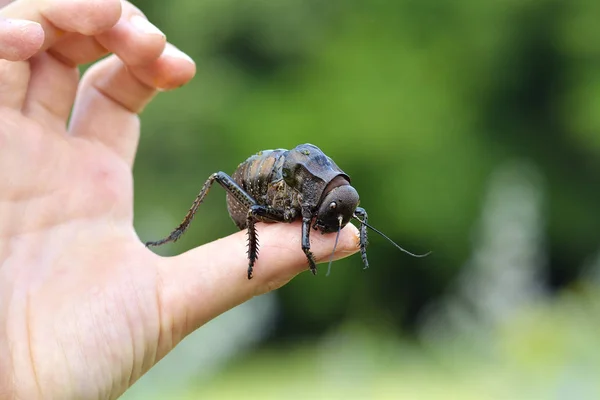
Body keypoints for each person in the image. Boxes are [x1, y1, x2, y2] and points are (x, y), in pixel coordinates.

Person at [0, 0, 360, 398]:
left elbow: (320, 230)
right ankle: (177, 234)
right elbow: (296, 236)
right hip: (252, 195)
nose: (339, 220)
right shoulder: (299, 190)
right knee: (222, 183)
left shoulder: (325, 192)